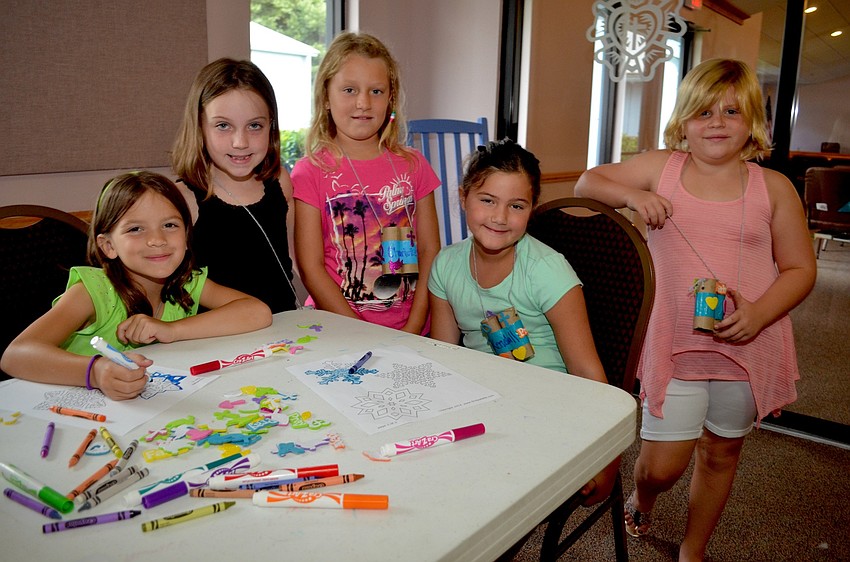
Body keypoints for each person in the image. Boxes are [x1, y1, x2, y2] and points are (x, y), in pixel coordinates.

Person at [574, 59, 816, 561]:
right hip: (674, 342)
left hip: (748, 344)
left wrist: (759, 314)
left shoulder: (773, 187)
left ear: (752, 122)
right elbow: (586, 183)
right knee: (663, 465)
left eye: (732, 111)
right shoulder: (661, 167)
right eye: (703, 112)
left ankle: (693, 548)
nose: (717, 122)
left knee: (722, 451)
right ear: (683, 120)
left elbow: (800, 269)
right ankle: (644, 498)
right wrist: (632, 195)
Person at [429, 139, 619, 506]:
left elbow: (586, 370)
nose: (500, 218)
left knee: (483, 493)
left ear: (531, 210)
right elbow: (444, 360)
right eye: (487, 200)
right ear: (463, 197)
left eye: (516, 206)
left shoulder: (547, 271)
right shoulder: (446, 265)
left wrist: (607, 459)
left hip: (551, 406)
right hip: (484, 402)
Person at [0, 171, 272, 401]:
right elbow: (16, 356)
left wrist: (172, 330)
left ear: (187, 237)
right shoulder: (92, 292)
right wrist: (95, 372)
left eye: (169, 225)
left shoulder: (187, 283)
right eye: (135, 229)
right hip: (81, 413)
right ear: (108, 246)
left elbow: (257, 312)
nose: (157, 240)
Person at [291, 32, 440, 334]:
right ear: (326, 97)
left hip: (415, 330)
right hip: (338, 330)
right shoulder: (310, 172)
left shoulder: (414, 166)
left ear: (390, 98)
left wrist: (412, 330)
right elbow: (311, 267)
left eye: (376, 91)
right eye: (349, 90)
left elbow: (430, 252)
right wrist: (363, 333)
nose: (363, 103)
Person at [172, 58, 299, 314]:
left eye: (254, 126)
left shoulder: (280, 182)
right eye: (223, 126)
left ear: (271, 125)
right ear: (199, 127)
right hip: (220, 342)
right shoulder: (183, 199)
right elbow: (176, 287)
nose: (240, 142)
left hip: (286, 335)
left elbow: (292, 265)